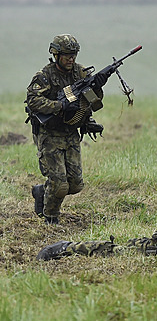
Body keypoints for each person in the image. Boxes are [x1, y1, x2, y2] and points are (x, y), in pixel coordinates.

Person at [25, 34, 104, 224]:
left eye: (74, 55)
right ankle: (50, 218)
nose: (71, 59)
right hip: (49, 134)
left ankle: (42, 192)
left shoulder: (80, 73)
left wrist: (98, 87)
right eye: (67, 55)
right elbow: (33, 100)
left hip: (70, 132)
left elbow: (93, 102)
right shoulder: (45, 76)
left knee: (75, 184)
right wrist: (59, 107)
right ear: (56, 55)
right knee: (60, 184)